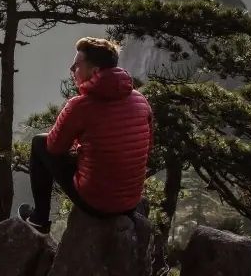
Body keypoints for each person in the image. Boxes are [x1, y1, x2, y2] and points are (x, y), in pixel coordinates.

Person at [18, 37, 153, 234]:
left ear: (95, 71)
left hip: (97, 203)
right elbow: (147, 146)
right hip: (131, 202)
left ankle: (39, 219)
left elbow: (54, 147)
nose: (72, 70)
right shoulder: (140, 100)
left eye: (76, 66)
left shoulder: (81, 105)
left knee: (39, 142)